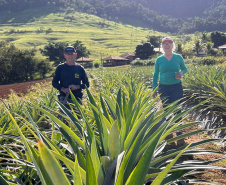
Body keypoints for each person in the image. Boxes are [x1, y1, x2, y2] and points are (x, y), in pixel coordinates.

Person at [152, 37, 187, 147]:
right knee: (166, 110)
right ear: (162, 47)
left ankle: (179, 133)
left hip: (176, 86)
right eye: (165, 44)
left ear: (173, 45)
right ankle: (169, 133)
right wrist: (154, 88)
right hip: (163, 87)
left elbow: (185, 68)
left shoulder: (178, 57)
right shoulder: (159, 59)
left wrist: (181, 73)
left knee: (177, 109)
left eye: (169, 43)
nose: (167, 45)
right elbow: (155, 74)